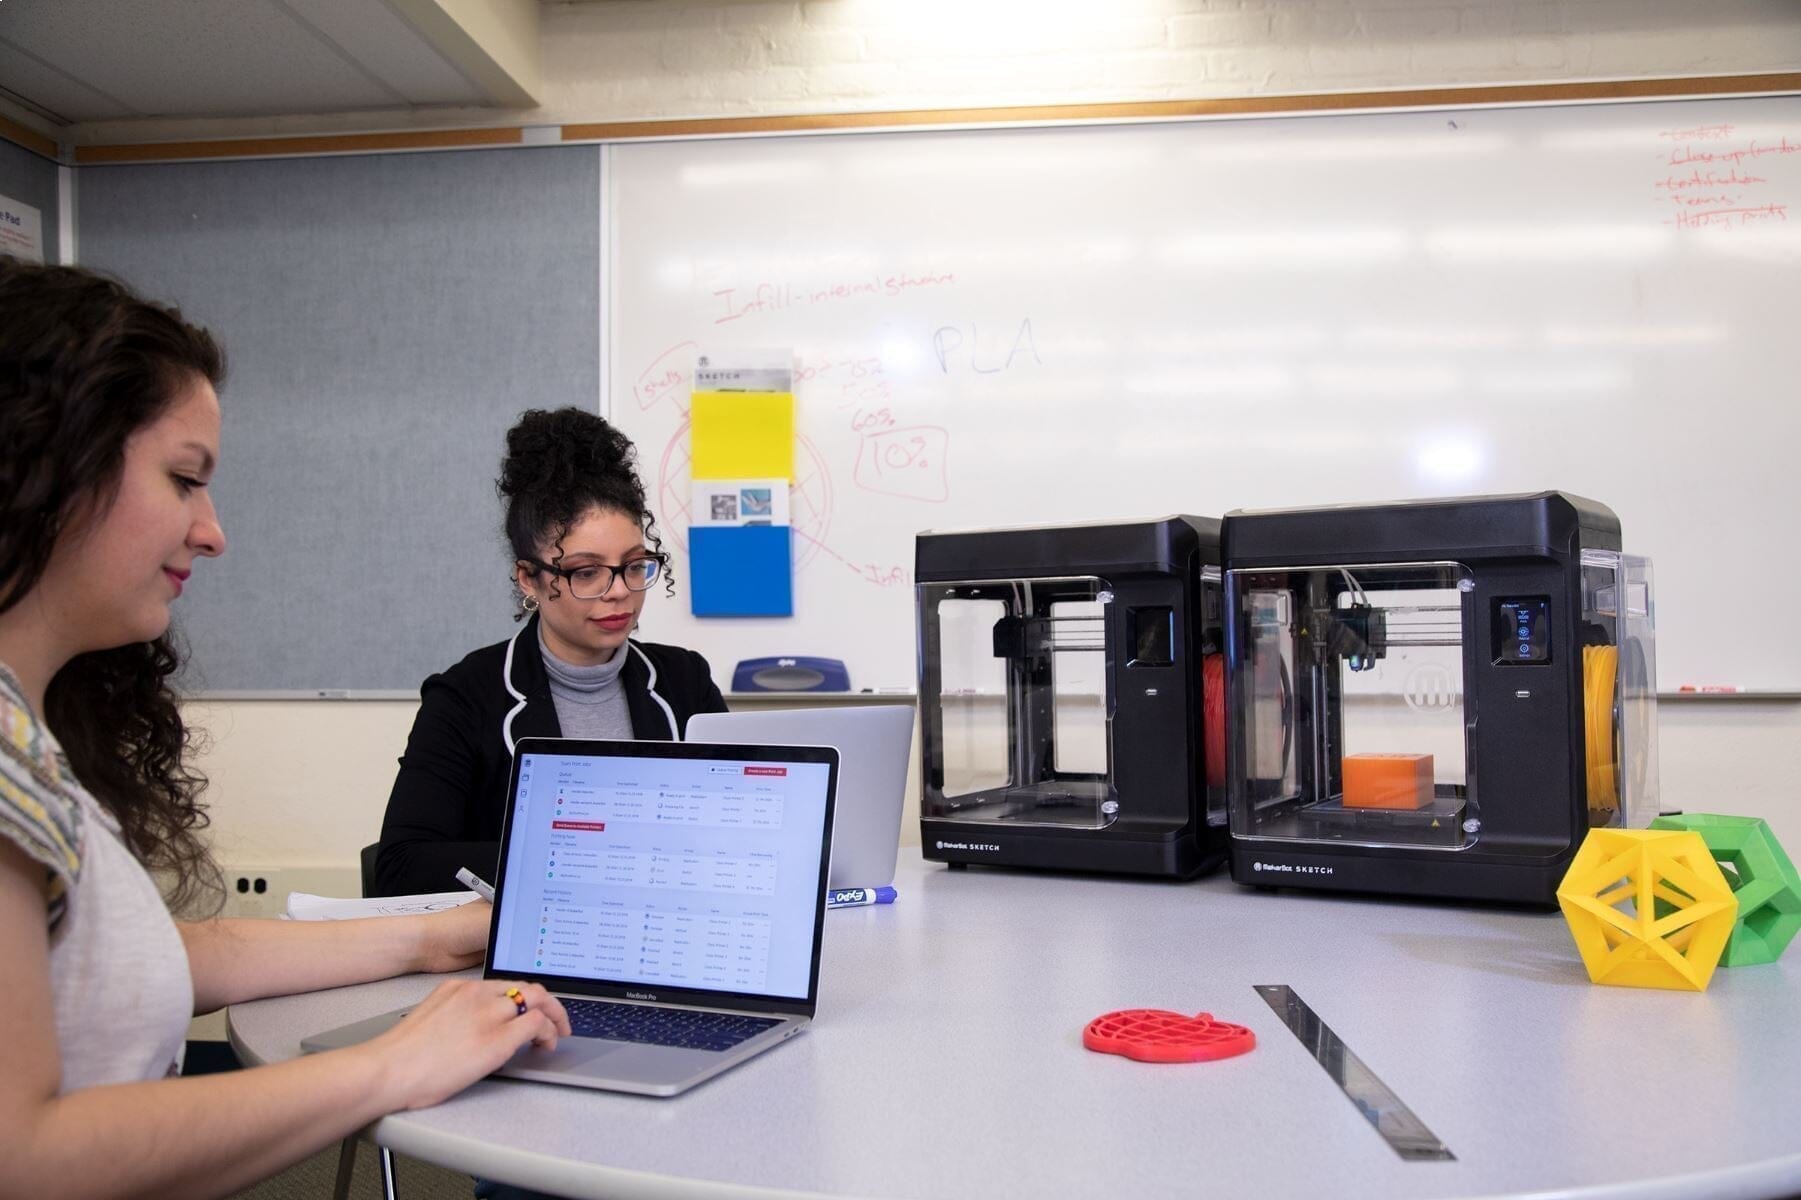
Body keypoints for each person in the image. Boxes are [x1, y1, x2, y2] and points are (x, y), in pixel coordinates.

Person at [0, 256, 571, 1200]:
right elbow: (21, 1158)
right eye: (184, 479)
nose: (214, 530)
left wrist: (430, 938)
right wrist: (394, 1064)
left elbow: (140, 958)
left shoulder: (32, 734)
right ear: (48, 463)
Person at [373, 406, 727, 896]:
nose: (618, 591)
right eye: (585, 572)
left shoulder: (683, 680)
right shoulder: (466, 695)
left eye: (633, 565)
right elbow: (400, 865)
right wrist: (586, 851)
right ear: (528, 578)